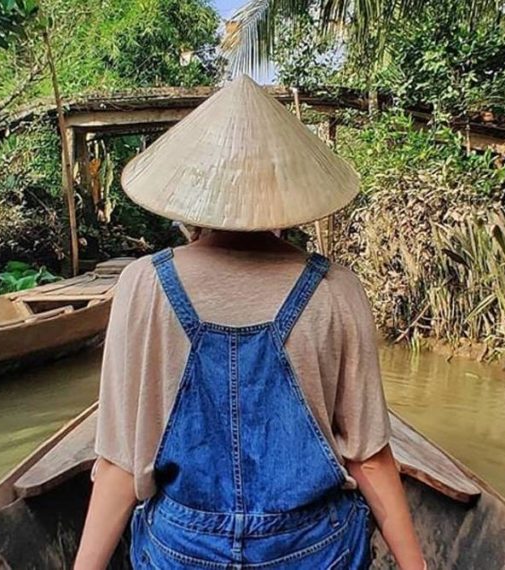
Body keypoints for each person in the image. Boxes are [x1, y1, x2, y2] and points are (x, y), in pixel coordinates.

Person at [74, 76, 426, 570]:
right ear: (288, 200)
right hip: (310, 549)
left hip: (182, 551)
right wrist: (416, 565)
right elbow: (368, 457)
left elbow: (119, 463)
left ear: (190, 202)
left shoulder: (144, 285)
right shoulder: (337, 289)